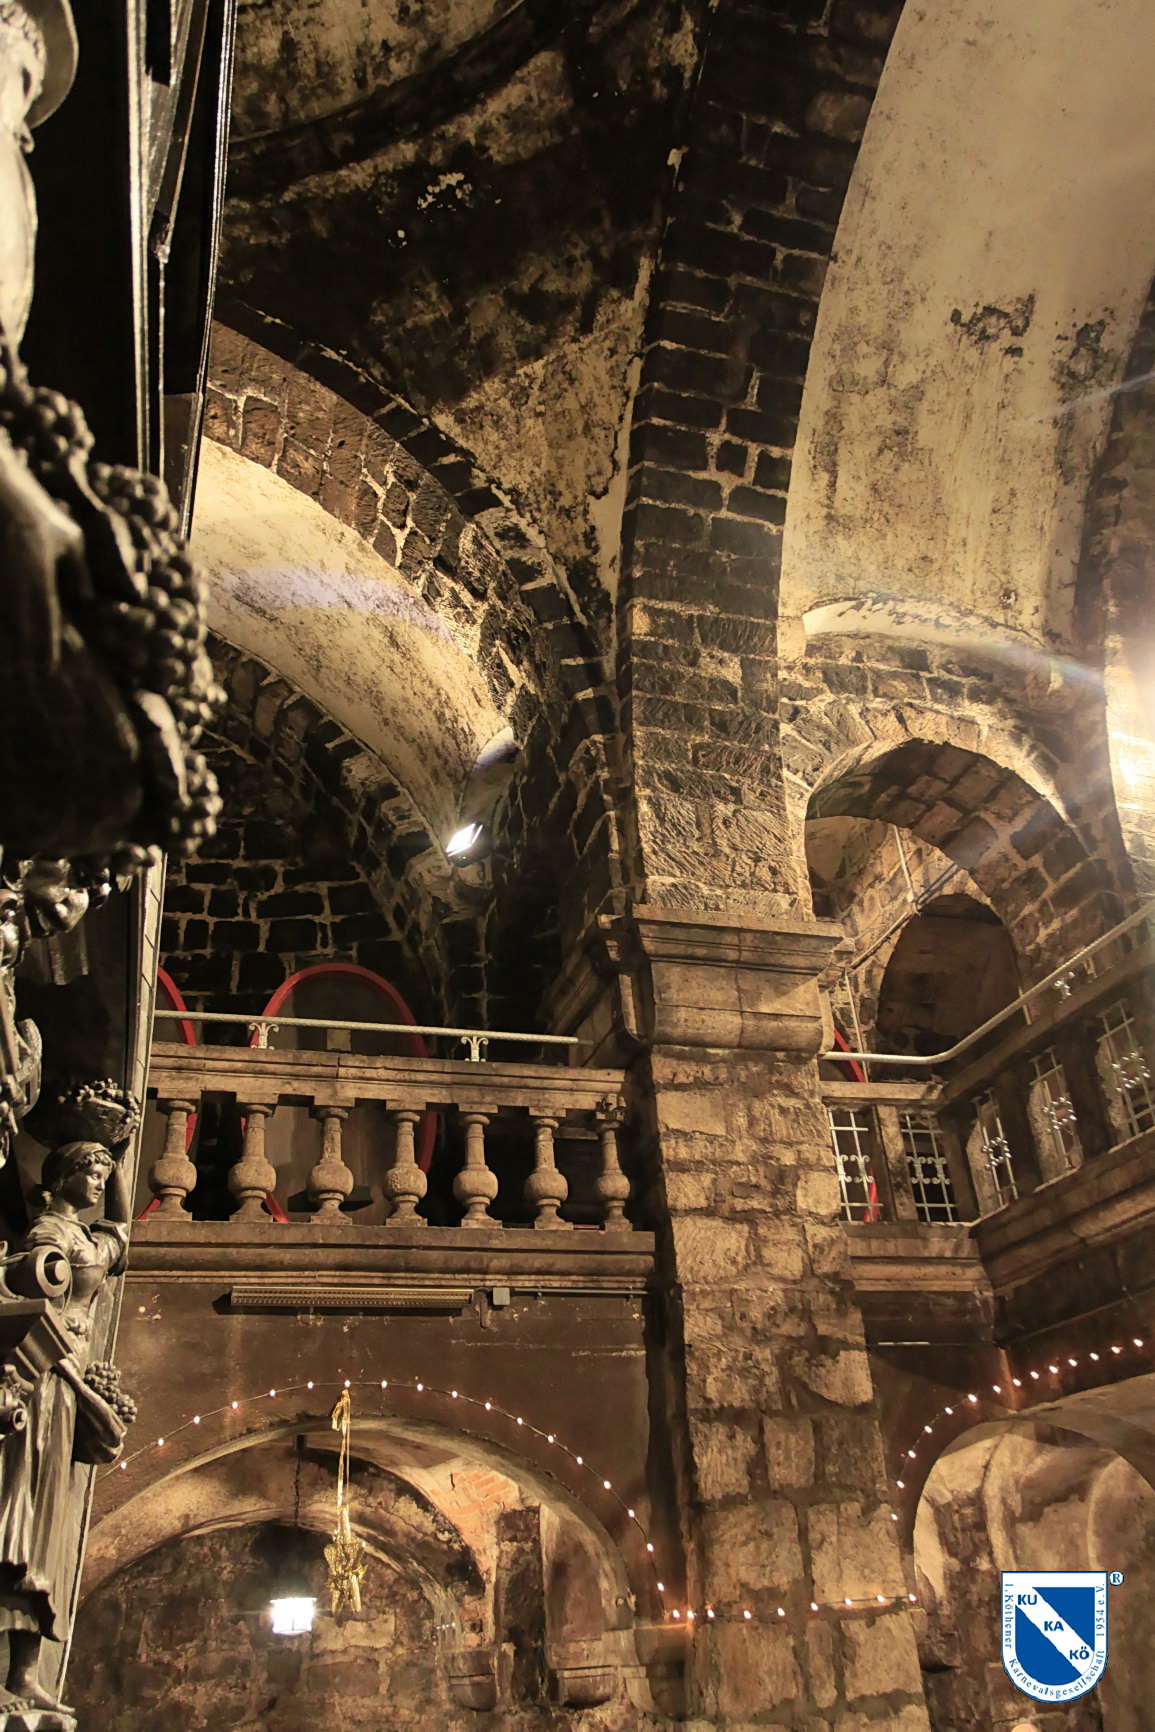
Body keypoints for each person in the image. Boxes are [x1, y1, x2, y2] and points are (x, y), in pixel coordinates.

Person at [0, 1139, 131, 1712]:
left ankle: (24, 1674)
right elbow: (35, 1288)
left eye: (103, 1173)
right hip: (45, 1380)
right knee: (21, 1513)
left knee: (50, 1529)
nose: (98, 1181)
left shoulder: (89, 1237)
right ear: (61, 1177)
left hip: (69, 1386)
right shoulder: (49, 1233)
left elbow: (122, 1229)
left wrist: (118, 1160)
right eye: (90, 1171)